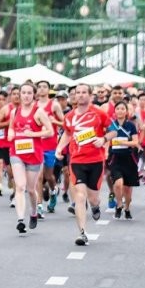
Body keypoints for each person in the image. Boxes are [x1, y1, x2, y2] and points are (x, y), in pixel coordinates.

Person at [55, 84, 112, 246]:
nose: (80, 95)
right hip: (77, 160)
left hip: (95, 161)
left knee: (93, 198)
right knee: (79, 196)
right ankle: (82, 233)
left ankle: (95, 207)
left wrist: (104, 139)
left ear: (90, 95)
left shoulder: (99, 113)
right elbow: (67, 134)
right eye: (77, 93)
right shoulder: (69, 116)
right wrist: (59, 148)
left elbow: (113, 130)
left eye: (83, 92)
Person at [8, 82, 53, 233]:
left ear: (34, 95)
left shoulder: (38, 112)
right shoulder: (15, 112)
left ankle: (33, 212)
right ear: (19, 94)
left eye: (29, 93)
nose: (26, 96)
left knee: (31, 189)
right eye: (23, 93)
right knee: (20, 186)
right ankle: (20, 219)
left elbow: (50, 131)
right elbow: (11, 127)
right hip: (17, 152)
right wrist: (11, 133)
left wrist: (33, 134)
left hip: (34, 155)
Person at [105, 101, 140, 220]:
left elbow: (136, 142)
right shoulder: (111, 126)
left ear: (126, 111)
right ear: (114, 111)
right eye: (117, 109)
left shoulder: (130, 125)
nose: (120, 111)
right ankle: (119, 204)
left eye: (122, 109)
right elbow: (106, 141)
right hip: (115, 158)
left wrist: (123, 142)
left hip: (129, 158)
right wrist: (105, 153)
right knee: (118, 183)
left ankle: (127, 208)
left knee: (128, 188)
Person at [36, 81, 65, 213]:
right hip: (36, 145)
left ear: (49, 90)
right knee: (39, 176)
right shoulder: (33, 105)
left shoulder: (54, 105)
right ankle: (39, 206)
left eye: (44, 87)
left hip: (50, 145)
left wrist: (55, 121)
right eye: (39, 87)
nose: (41, 89)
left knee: (49, 176)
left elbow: (66, 123)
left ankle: (53, 190)